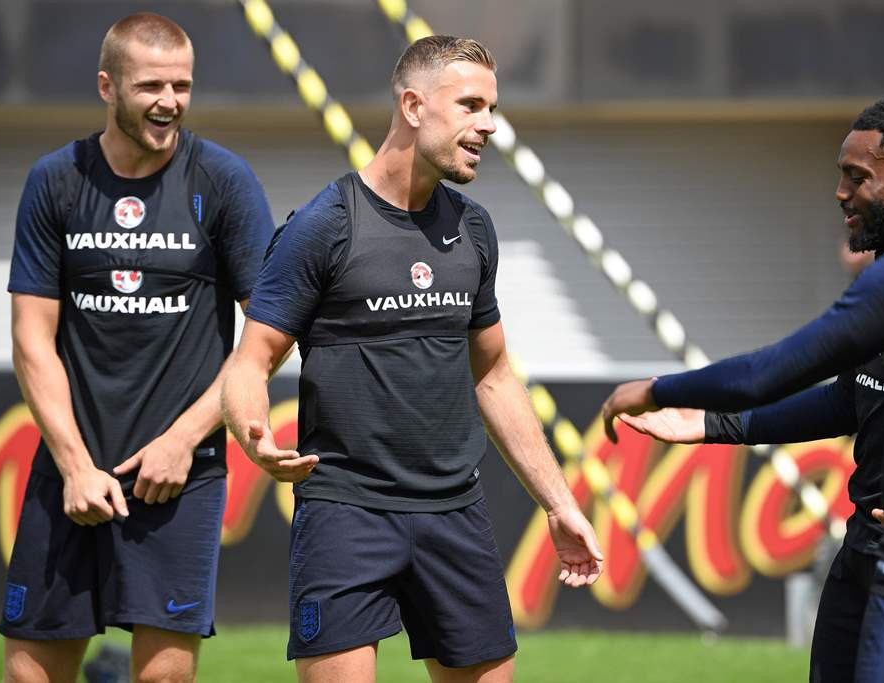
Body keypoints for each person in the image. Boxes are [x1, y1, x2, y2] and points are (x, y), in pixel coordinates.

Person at [221, 35, 603, 683]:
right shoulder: (324, 225)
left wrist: (558, 500)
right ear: (414, 105)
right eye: (471, 105)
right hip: (346, 511)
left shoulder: (474, 229)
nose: (488, 124)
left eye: (493, 107)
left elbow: (494, 373)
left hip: (455, 511)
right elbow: (249, 362)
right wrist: (253, 434)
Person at [601, 80, 884, 682]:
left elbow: (772, 371)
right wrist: (713, 424)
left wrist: (658, 389)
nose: (840, 193)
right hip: (878, 551)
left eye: (858, 176)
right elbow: (855, 395)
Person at [0, 13, 275, 683]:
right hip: (71, 471)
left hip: (181, 477)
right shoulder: (55, 180)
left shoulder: (224, 181)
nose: (169, 102)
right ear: (107, 85)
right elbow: (32, 339)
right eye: (151, 85)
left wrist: (184, 438)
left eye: (182, 86)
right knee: (29, 674)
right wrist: (72, 464)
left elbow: (267, 336)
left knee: (164, 678)